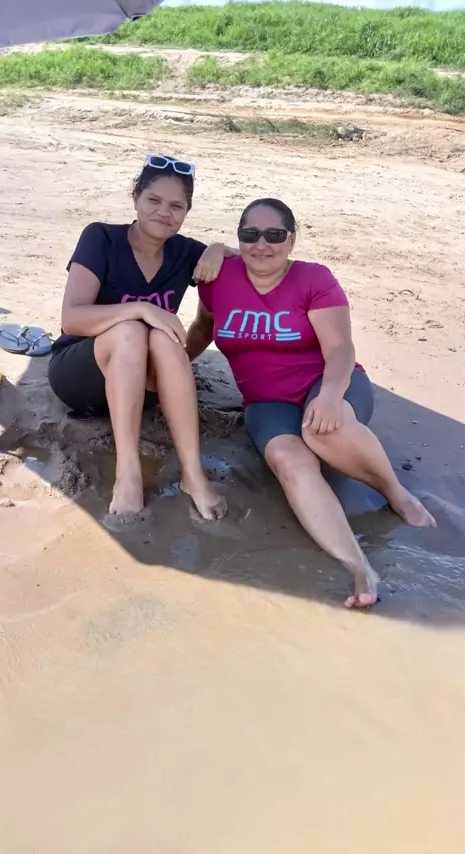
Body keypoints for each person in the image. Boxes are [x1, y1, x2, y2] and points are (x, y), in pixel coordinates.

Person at [187, 198, 436, 609]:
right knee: (289, 459)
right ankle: (359, 566)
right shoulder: (218, 278)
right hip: (267, 400)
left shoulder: (313, 278)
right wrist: (172, 367)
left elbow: (340, 349)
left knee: (321, 431)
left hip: (329, 382)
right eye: (250, 234)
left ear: (291, 240)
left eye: (274, 235)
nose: (261, 244)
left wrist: (329, 397)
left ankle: (396, 493)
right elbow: (201, 330)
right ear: (238, 238)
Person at [49, 154, 233, 519]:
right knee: (132, 331)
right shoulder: (101, 237)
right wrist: (141, 308)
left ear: (187, 211)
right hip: (81, 375)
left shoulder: (185, 252)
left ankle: (193, 475)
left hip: (141, 388)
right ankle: (128, 473)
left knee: (164, 338)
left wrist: (218, 249)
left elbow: (256, 261)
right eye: (154, 200)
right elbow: (72, 319)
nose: (164, 212)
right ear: (135, 197)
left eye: (176, 206)